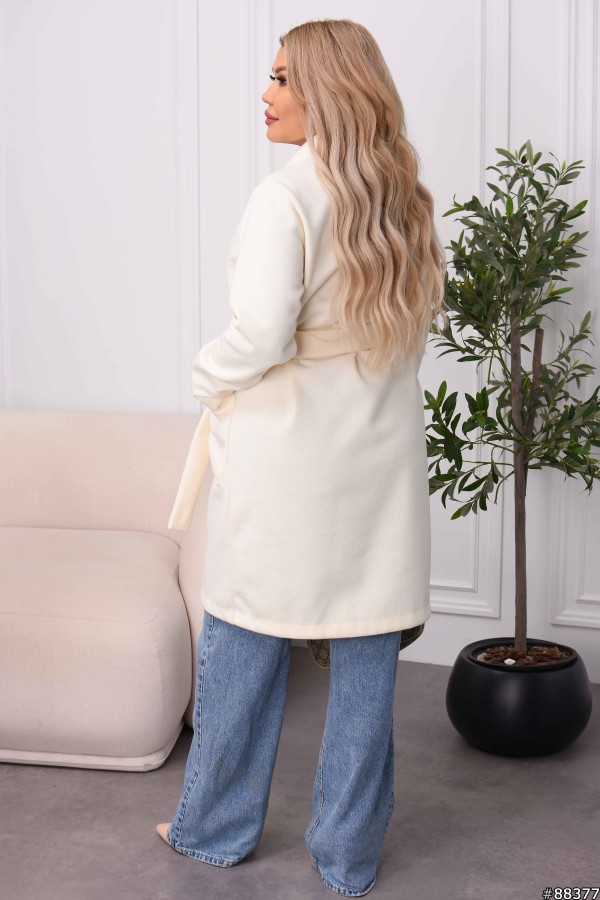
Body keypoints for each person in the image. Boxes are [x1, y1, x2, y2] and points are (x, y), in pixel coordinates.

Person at [156, 18, 447, 897]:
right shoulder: (402, 196)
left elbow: (259, 336)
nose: (267, 93)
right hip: (379, 459)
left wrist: (205, 375)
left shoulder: (284, 198)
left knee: (245, 635)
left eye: (283, 78)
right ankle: (349, 856)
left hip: (290, 461)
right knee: (365, 650)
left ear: (328, 90)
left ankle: (215, 827)